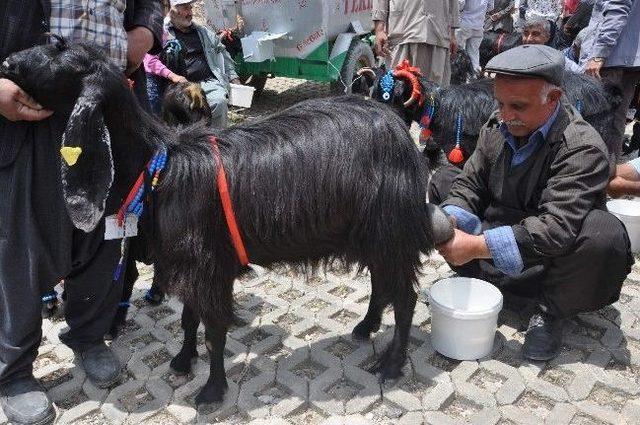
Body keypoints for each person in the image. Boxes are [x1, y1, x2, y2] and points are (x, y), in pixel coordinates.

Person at [0, 1, 162, 424]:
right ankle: (14, 371)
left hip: (111, 107)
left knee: (105, 238)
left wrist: (145, 28)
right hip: (31, 111)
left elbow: (148, 4)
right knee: (24, 248)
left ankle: (89, 334)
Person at [430, 44, 632, 362]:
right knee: (444, 181)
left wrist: (475, 246)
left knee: (602, 234)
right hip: (502, 231)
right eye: (500, 103)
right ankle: (478, 278)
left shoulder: (582, 148)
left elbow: (554, 230)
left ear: (553, 99)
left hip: (548, 260)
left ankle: (549, 311)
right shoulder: (499, 124)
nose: (506, 115)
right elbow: (470, 182)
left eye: (518, 106)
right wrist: (453, 221)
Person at [580, 0, 640, 162]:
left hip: (609, 59)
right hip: (628, 58)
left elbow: (617, 10)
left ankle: (592, 172)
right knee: (615, 120)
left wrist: (599, 54)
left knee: (597, 119)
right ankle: (607, 173)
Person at [165, 0, 240, 128]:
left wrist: (233, 76)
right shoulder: (165, 34)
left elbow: (221, 49)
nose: (190, 13)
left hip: (208, 82)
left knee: (219, 101)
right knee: (184, 112)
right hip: (180, 85)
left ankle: (217, 141)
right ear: (173, 11)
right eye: (186, 9)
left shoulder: (202, 32)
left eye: (190, 8)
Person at [372, 0, 460, 87]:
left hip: (438, 32)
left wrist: (453, 34)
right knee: (397, 87)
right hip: (403, 32)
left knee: (435, 92)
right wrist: (379, 29)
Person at [457, 0, 494, 72]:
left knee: (458, 51)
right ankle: (474, 76)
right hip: (479, 25)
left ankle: (456, 76)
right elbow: (491, 7)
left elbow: (460, 4)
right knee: (474, 53)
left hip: (464, 23)